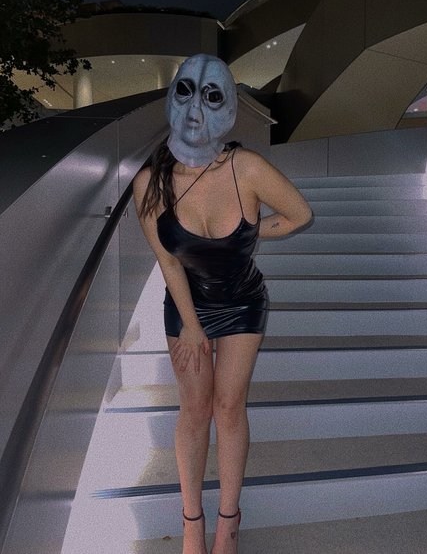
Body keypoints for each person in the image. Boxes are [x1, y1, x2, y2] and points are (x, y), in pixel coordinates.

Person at [133, 54, 312, 554]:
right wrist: (191, 326)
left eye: (212, 96)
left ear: (229, 107)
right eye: (186, 91)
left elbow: (299, 214)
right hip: (185, 305)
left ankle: (228, 523)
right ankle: (192, 522)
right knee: (195, 409)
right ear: (172, 100)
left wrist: (248, 236)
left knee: (229, 406)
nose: (196, 108)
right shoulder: (149, 182)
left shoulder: (246, 168)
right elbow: (169, 262)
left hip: (243, 302)